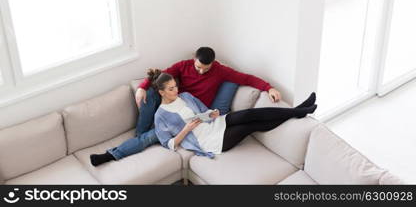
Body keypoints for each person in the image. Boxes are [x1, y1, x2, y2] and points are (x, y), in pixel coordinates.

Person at [90, 47, 284, 166]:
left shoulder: (220, 71)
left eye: (205, 69)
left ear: (213, 64)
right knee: (149, 101)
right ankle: (126, 143)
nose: (200, 72)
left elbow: (246, 78)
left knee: (148, 138)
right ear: (194, 58)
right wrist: (141, 88)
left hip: (195, 112)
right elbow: (161, 76)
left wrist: (269, 88)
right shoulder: (183, 66)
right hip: (177, 107)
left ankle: (113, 153)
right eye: (198, 66)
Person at [153, 71, 317, 157]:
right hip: (210, 141)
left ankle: (298, 110)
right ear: (161, 92)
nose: (176, 90)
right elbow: (169, 144)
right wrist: (186, 129)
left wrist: (212, 114)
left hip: (215, 123)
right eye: (171, 89)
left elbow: (203, 113)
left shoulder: (185, 97)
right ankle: (299, 112)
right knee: (250, 127)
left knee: (249, 114)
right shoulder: (160, 115)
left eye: (175, 86)